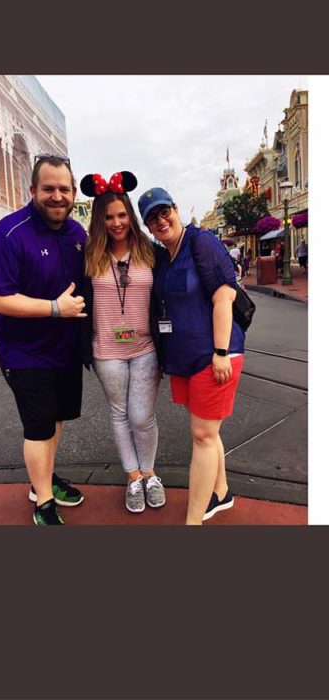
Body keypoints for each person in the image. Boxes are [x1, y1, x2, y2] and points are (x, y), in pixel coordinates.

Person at [0, 154, 87, 525]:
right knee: (39, 427)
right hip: (24, 352)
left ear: (73, 193)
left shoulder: (77, 234)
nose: (57, 196)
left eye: (64, 189)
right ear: (32, 191)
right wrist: (54, 309)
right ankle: (43, 503)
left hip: (66, 349)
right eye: (49, 189)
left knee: (56, 420)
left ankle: (45, 480)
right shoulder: (8, 233)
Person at [139, 188, 246, 524]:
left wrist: (221, 352)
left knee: (202, 435)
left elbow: (224, 297)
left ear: (175, 209)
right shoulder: (162, 256)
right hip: (184, 357)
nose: (160, 220)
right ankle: (222, 492)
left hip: (214, 354)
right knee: (207, 431)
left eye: (163, 211)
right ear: (148, 226)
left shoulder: (201, 242)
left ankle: (193, 521)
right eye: (152, 218)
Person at [78, 172, 165, 514]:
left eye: (122, 215)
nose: (116, 223)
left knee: (141, 416)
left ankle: (150, 473)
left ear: (131, 216)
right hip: (106, 350)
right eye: (109, 217)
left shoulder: (151, 252)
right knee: (119, 414)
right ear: (100, 221)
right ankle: (133, 477)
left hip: (146, 347)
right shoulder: (88, 257)